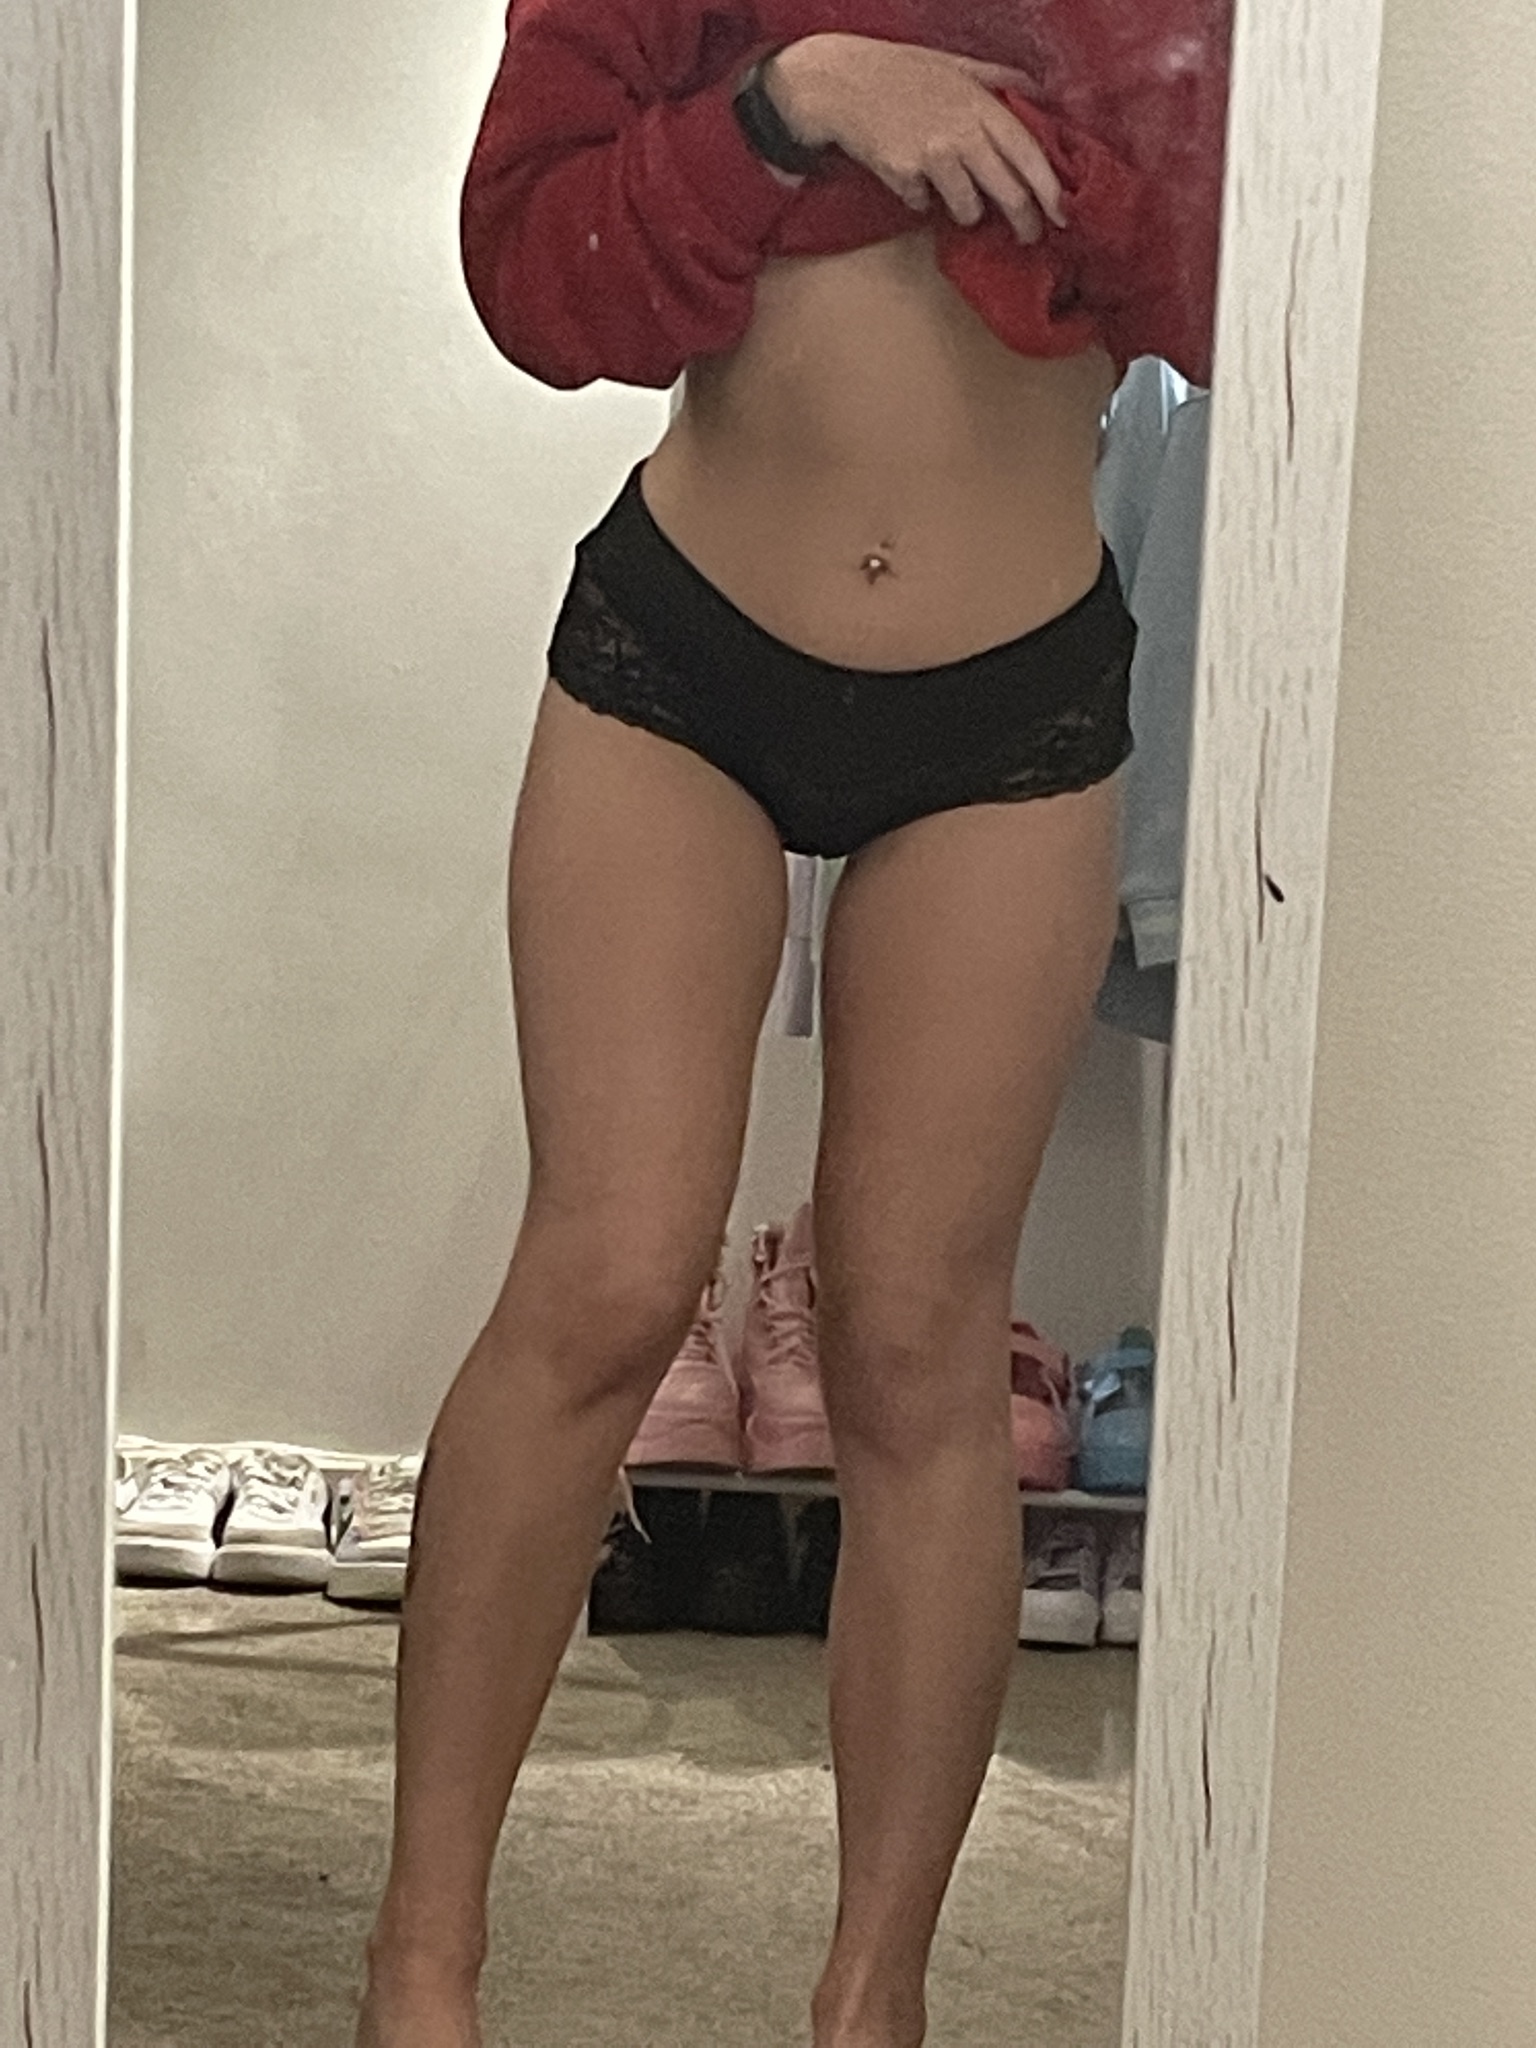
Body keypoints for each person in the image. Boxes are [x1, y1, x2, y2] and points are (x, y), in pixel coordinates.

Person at [358, 7, 1228, 2044]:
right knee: (603, 1277)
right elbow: (533, 270)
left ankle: (872, 2003)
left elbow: (1240, 284)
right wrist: (794, 99)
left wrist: (1040, 154)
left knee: (919, 1340)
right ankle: (419, 1969)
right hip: (686, 647)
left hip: (1017, 693)